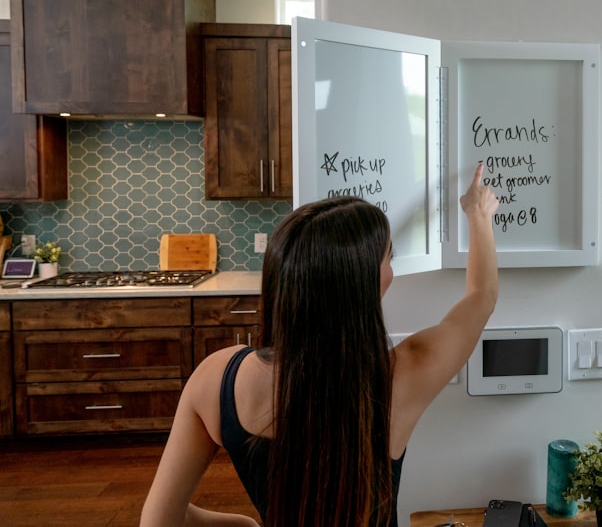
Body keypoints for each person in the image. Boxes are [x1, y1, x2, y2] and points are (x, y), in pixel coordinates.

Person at [141, 163, 499, 527]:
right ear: (362, 287)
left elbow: (159, 520)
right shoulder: (405, 375)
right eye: (389, 257)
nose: (392, 267)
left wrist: (245, 524)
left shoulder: (217, 377)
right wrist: (478, 213)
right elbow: (482, 297)